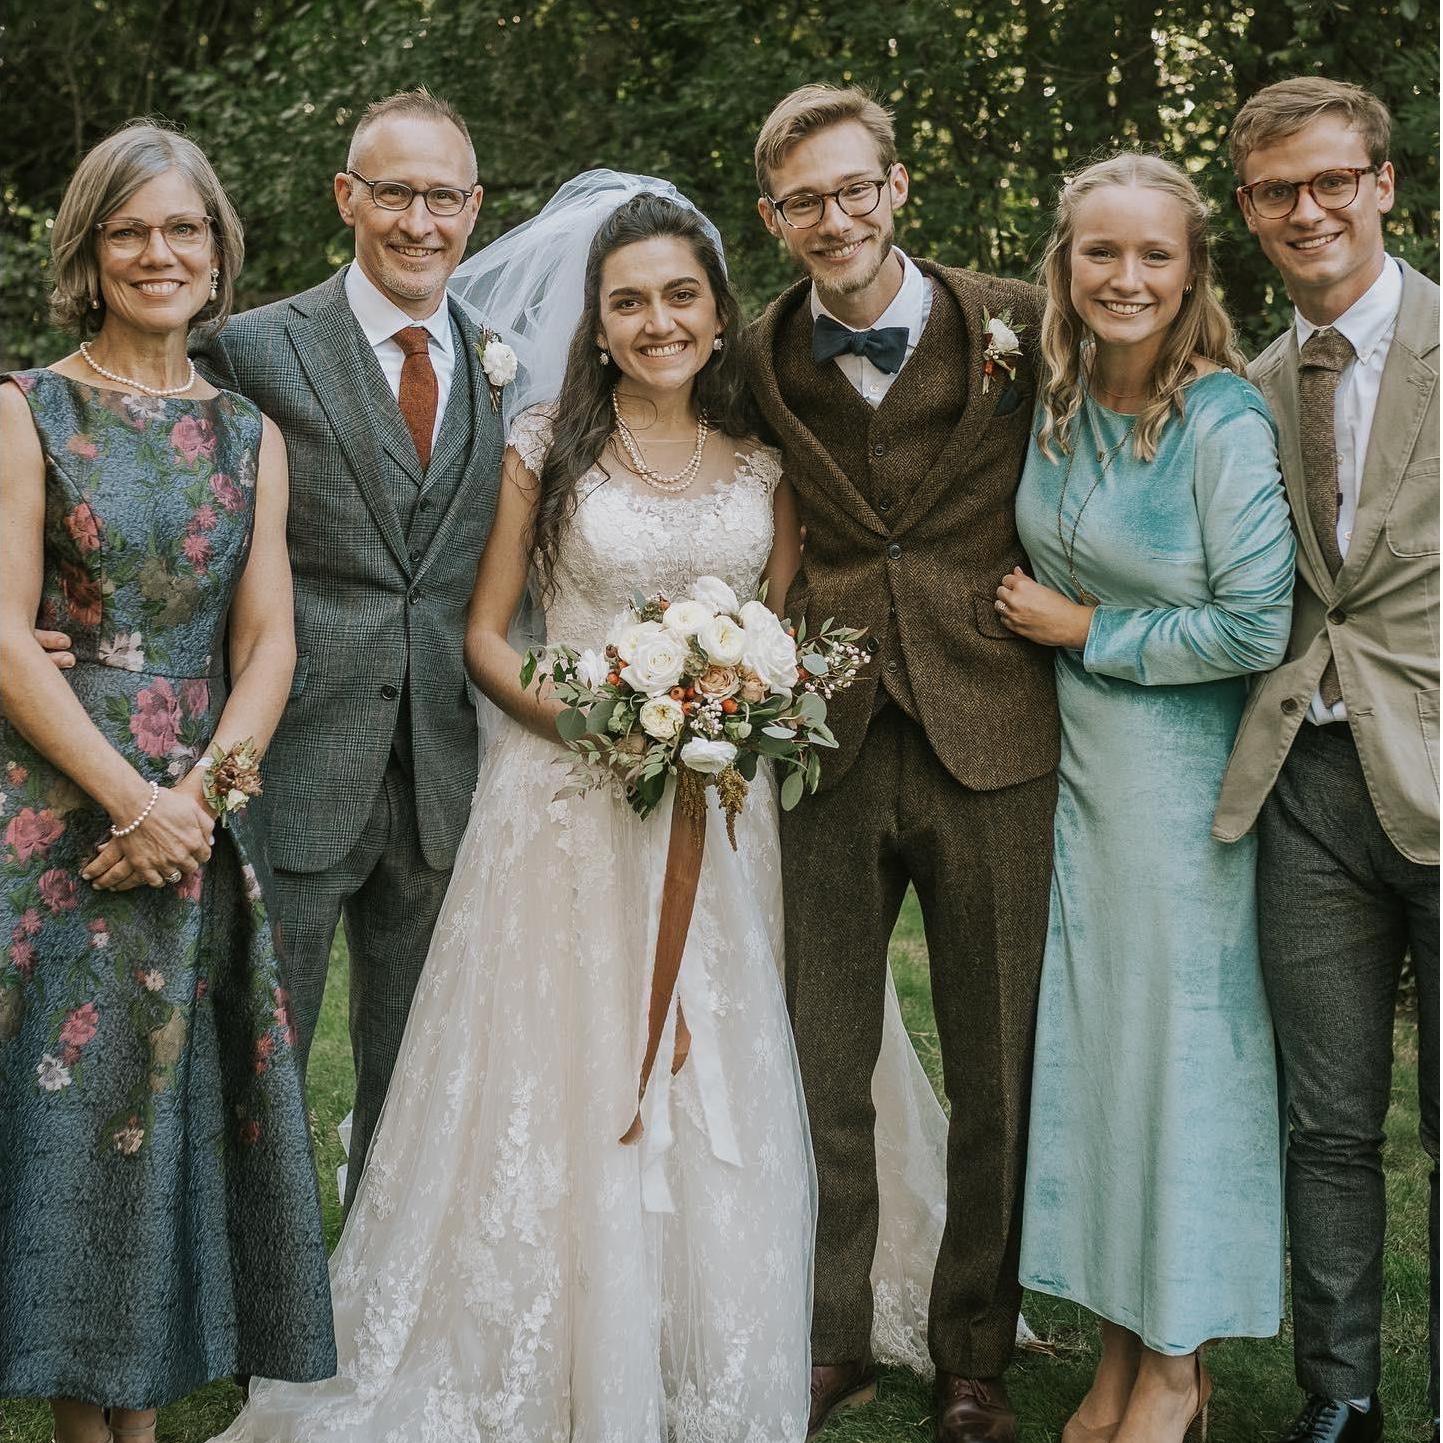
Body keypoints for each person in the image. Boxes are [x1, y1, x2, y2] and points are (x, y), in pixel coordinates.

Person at [210, 172, 819, 1442]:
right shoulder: (545, 444)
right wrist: (594, 718)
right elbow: (488, 638)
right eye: (629, 302)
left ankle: (682, 1330)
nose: (657, 322)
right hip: (567, 795)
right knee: (556, 1062)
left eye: (681, 297)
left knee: (712, 1067)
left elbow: (785, 636)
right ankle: (535, 1317)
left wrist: (734, 716)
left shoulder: (766, 462)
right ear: (596, 324)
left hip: (717, 805)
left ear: (718, 313)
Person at [0, 123, 334, 1443]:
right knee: (74, 1121)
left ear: (216, 256)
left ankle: (127, 1416)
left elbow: (271, 642)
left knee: (158, 1119)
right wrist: (129, 803)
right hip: (56, 818)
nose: (158, 252)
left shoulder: (249, 433)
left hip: (198, 813)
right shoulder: (25, 409)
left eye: (181, 229)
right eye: (130, 229)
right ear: (88, 250)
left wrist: (199, 800)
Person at [746, 83, 1059, 1442]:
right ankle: (828, 1335)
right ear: (771, 216)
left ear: (895, 186)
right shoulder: (748, 350)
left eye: (851, 187)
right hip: (825, 734)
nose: (833, 216)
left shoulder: (1018, 320)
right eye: (803, 198)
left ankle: (971, 1350)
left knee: (997, 1062)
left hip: (993, 725)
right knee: (820, 1057)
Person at [1004, 152, 1296, 1443]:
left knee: (1180, 1072)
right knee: (1103, 1067)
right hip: (1077, 795)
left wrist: (1084, 627)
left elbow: (1252, 623)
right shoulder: (1054, 403)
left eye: (1152, 256)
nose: (1124, 278)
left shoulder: (1220, 419)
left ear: (1191, 274)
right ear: (1061, 264)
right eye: (1098, 253)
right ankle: (1119, 1342)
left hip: (1186, 803)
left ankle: (1175, 1366)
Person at [189, 88, 506, 1209]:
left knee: (415, 1073)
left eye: (443, 198)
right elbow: (154, 492)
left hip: (443, 777)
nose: (420, 222)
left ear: (474, 208)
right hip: (291, 764)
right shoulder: (251, 349)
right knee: (252, 1062)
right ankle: (242, 1305)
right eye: (394, 194)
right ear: (347, 199)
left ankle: (377, 1299)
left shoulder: (502, 356)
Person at [1214, 78, 1439, 1443]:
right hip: (1303, 790)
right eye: (1274, 191)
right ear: (1246, 211)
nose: (1305, 209)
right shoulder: (1240, 391)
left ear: (1380, 184)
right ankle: (1338, 1393)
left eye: (1328, 181)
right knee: (1327, 1120)